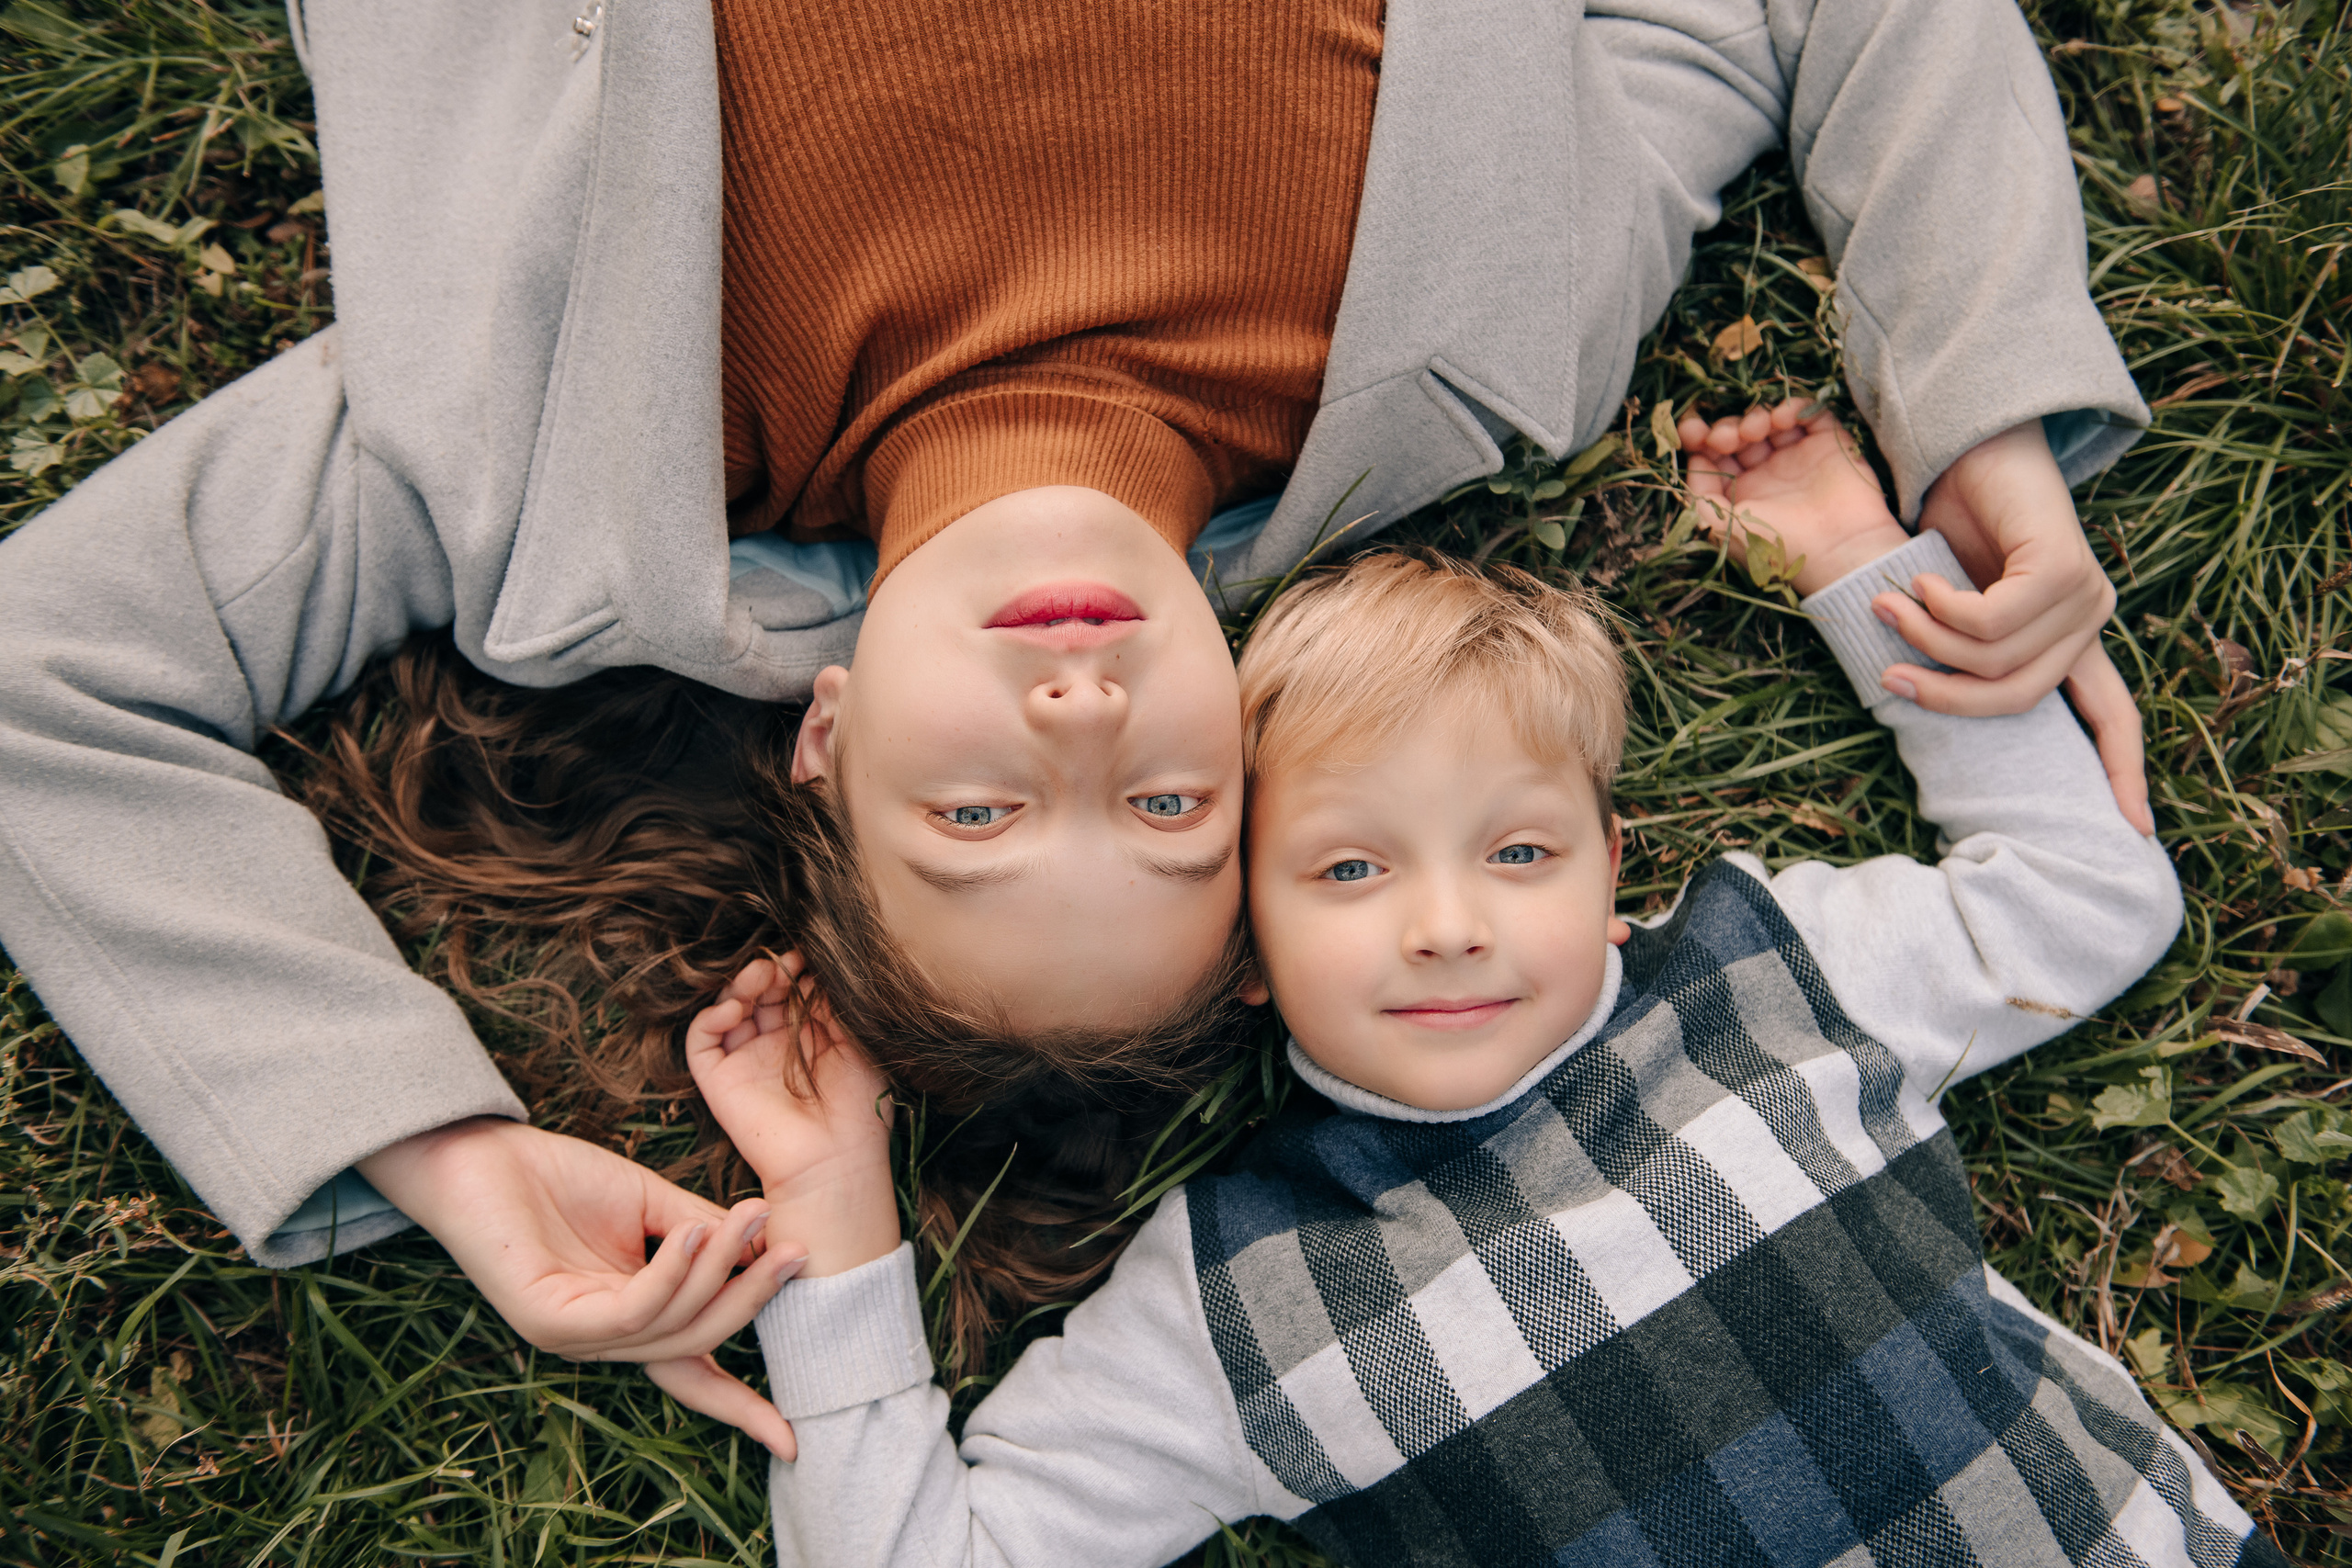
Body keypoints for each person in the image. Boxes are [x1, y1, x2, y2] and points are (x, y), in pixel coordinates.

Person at [0, 0, 2154, 1442]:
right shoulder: (1497, 331)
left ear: (823, 742)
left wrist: (447, 1160)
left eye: (974, 804)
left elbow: (47, 676)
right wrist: (1978, 423)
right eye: (1157, 795)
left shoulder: (543, 473)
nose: (1074, 695)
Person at [679, 406, 2265, 1567]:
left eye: (1519, 853)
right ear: (1243, 948)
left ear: (1611, 862)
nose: (1448, 928)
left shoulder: (1777, 980)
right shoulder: (1234, 1307)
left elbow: (2086, 900)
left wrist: (1861, 565)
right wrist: (833, 1208)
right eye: (1352, 872)